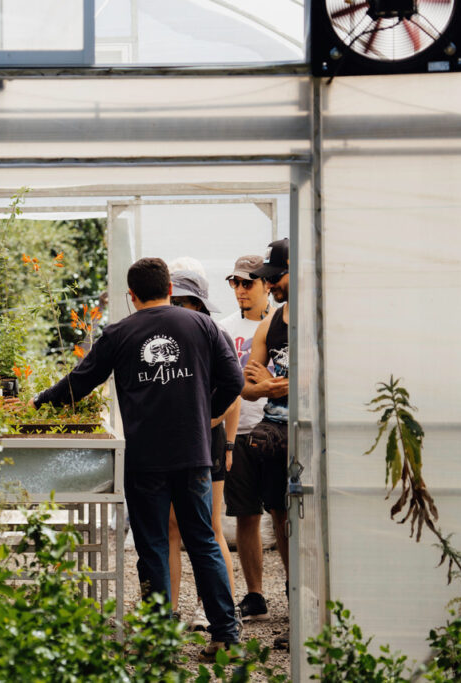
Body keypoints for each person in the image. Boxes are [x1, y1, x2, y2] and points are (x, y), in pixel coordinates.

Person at [33, 258, 243, 658]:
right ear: (169, 287)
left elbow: (79, 383)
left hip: (146, 459)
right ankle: (226, 636)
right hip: (194, 454)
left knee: (154, 546)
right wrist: (206, 415)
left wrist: (40, 403)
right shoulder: (202, 325)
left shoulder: (119, 333)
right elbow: (234, 380)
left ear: (131, 296)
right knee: (203, 541)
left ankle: (159, 641)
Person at [166, 269, 240, 635]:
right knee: (172, 529)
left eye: (181, 301)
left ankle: (213, 610)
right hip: (177, 439)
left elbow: (235, 389)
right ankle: (169, 613)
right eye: (172, 299)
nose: (175, 307)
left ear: (196, 303)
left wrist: (226, 440)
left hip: (206, 440)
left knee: (210, 528)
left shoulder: (215, 334)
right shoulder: (169, 337)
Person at [218, 255, 277, 623]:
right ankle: (255, 594)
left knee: (285, 515)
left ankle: (293, 588)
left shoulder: (279, 325)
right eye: (235, 283)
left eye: (247, 282)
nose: (240, 290)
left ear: (265, 284)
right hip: (238, 432)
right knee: (246, 516)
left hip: (272, 427)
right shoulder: (224, 328)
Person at [242, 239, 291, 649]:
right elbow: (246, 386)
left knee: (313, 522)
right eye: (268, 278)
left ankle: (316, 611)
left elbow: (335, 372)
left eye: (276, 277)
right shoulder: (269, 324)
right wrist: (268, 389)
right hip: (274, 432)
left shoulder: (319, 318)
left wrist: (276, 384)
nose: (270, 284)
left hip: (307, 433)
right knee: (281, 518)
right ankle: (298, 612)